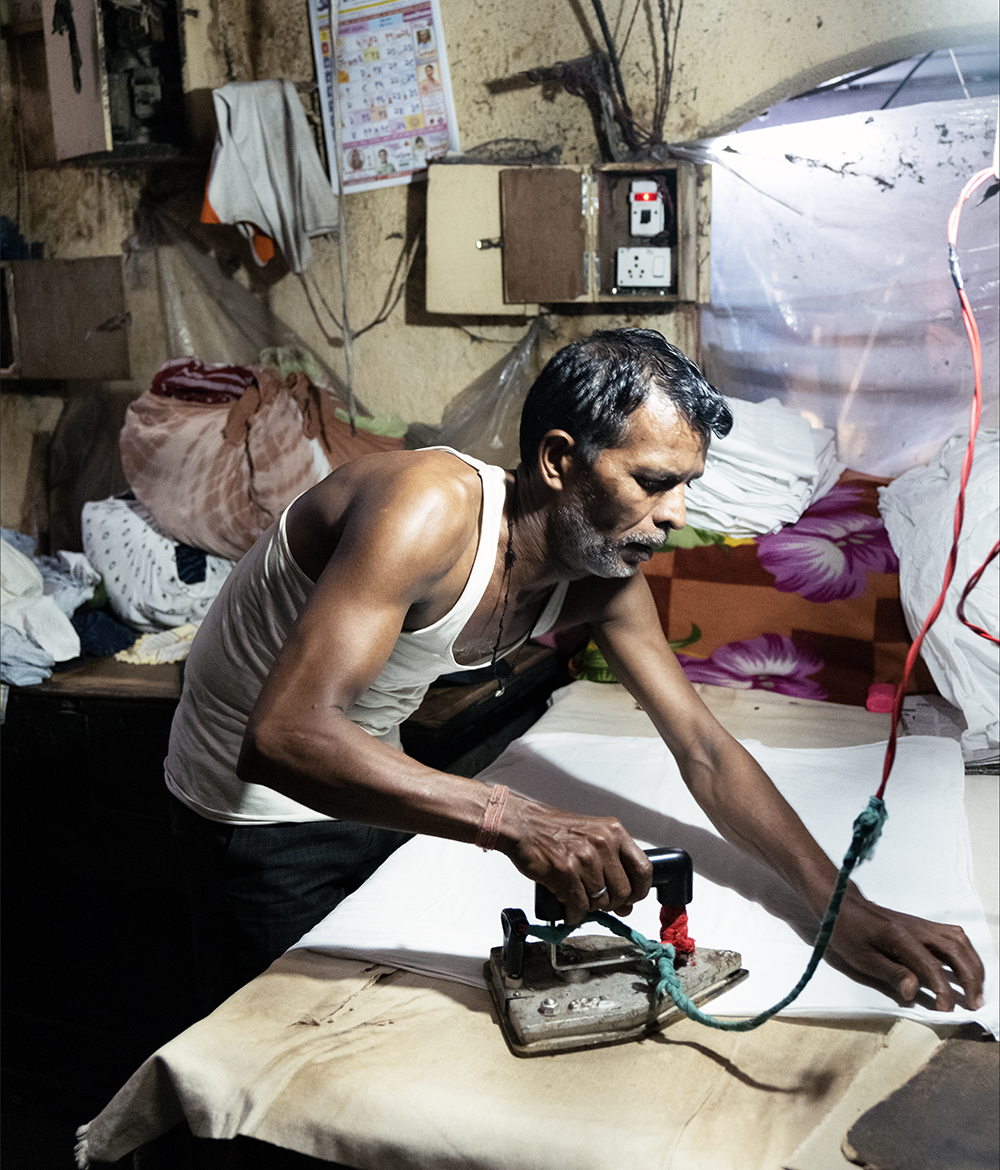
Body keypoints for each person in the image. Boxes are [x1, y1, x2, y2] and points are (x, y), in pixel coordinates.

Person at [166, 330, 984, 1017]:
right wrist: (515, 817)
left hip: (364, 769)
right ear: (559, 460)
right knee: (285, 1051)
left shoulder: (604, 576)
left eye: (686, 487)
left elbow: (701, 745)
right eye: (653, 482)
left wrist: (837, 905)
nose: (676, 516)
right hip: (249, 813)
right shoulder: (426, 511)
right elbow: (283, 736)